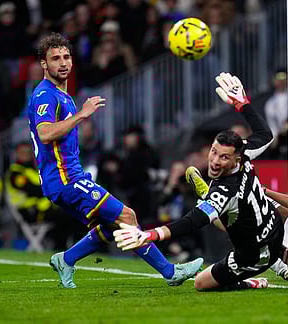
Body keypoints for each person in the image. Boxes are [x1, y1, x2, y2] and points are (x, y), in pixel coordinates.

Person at [27, 32, 202, 289]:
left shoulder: (62, 95)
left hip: (69, 176)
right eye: (55, 58)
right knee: (127, 216)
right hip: (63, 179)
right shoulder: (45, 95)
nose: (63, 63)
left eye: (66, 57)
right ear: (44, 64)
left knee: (112, 227)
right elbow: (45, 134)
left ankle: (66, 259)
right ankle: (170, 272)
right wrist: (81, 115)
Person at [114, 72, 288, 291]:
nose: (215, 161)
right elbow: (265, 134)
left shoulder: (225, 190)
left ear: (234, 157)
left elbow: (192, 221)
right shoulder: (244, 153)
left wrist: (150, 234)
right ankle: (286, 253)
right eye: (214, 152)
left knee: (201, 282)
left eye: (223, 157)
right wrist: (242, 103)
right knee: (235, 214)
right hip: (273, 228)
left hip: (255, 255)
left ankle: (254, 282)